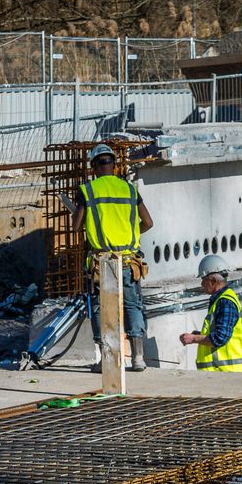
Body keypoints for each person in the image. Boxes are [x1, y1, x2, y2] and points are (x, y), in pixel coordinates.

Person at [72, 143, 154, 372]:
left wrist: (82, 213)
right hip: (129, 260)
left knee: (101, 308)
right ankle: (138, 358)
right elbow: (148, 223)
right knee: (132, 306)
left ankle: (106, 360)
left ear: (94, 167)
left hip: (102, 262)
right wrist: (132, 235)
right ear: (114, 165)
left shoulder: (88, 190)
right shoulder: (129, 189)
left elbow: (76, 227)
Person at [179, 255, 242, 372]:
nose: (201, 284)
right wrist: (201, 334)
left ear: (213, 281)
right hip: (225, 373)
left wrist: (194, 338)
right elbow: (221, 332)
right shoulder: (222, 300)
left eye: (203, 279)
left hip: (229, 373)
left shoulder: (225, 302)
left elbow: (220, 338)